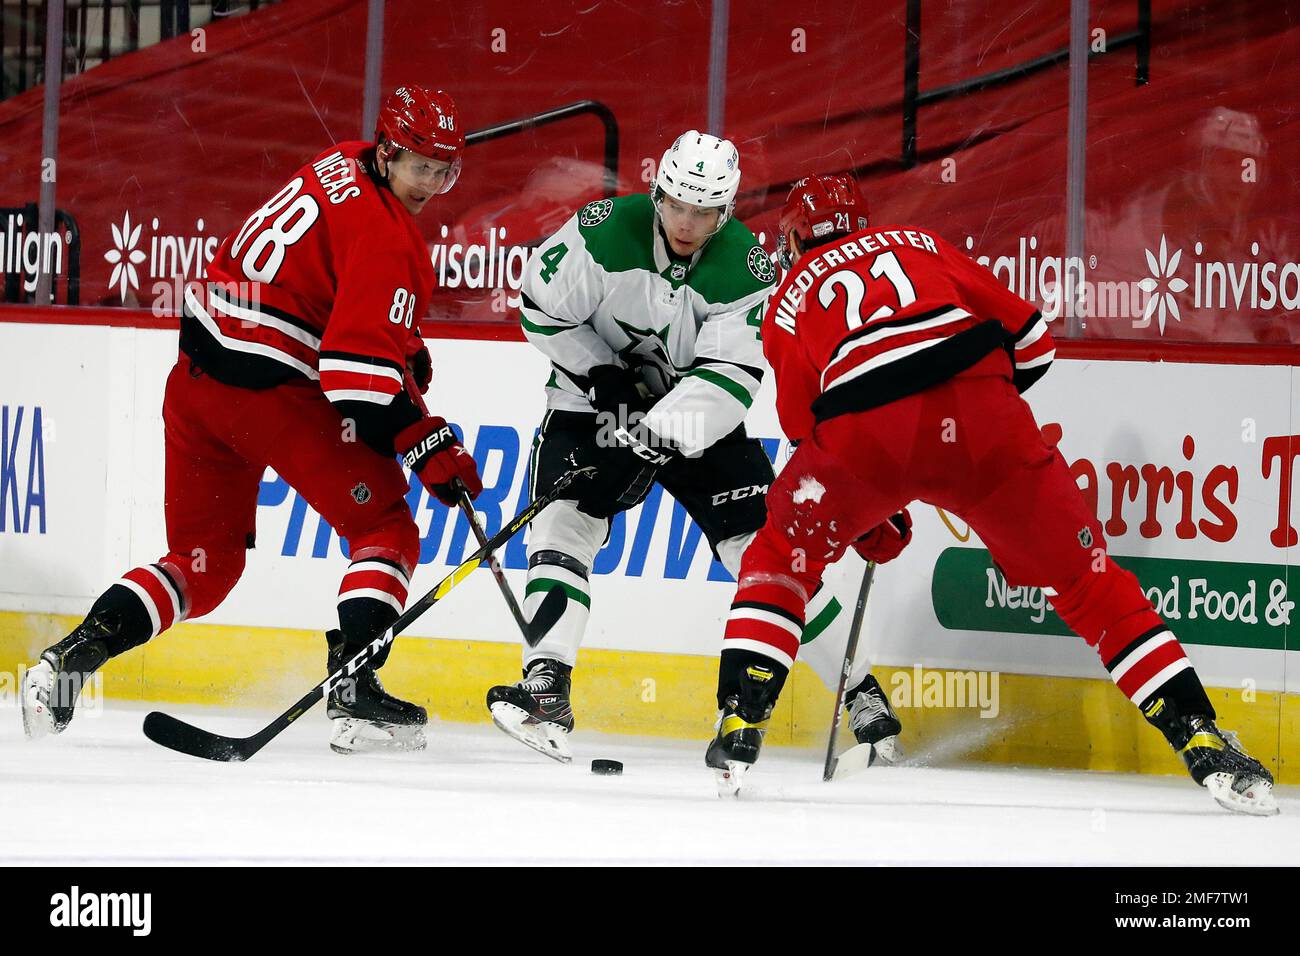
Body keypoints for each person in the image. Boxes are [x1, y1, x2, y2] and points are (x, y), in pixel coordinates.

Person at [705, 174, 1276, 815]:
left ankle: (740, 721)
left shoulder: (787, 298)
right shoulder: (917, 241)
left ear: (793, 236)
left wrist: (870, 510)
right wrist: (984, 424)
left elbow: (809, 430)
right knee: (1090, 585)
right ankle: (1199, 736)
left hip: (861, 433)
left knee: (779, 560)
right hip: (983, 410)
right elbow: (1033, 339)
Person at [21, 85, 482, 754]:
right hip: (269, 395)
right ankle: (353, 698)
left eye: (445, 171)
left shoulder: (341, 160)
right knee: (384, 527)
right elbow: (354, 379)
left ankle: (66, 665)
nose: (432, 185)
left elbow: (324, 277)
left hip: (196, 383)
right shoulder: (391, 239)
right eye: (420, 167)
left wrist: (398, 341)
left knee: (204, 567)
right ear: (387, 153)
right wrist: (425, 440)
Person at [485, 131, 902, 762]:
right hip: (594, 403)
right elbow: (542, 312)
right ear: (658, 194)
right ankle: (546, 686)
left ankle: (860, 689)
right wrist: (600, 371)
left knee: (762, 553)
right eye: (677, 205)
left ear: (726, 211)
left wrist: (652, 435)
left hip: (695, 422)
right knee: (561, 527)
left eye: (704, 212)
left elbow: (728, 381)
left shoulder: (748, 267)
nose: (687, 222)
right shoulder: (599, 231)